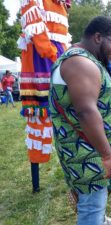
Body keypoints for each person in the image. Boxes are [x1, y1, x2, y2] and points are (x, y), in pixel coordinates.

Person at [49, 16, 111, 225]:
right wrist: (107, 154)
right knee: (91, 206)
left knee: (95, 198)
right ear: (98, 37)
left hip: (88, 148)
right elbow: (86, 112)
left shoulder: (83, 59)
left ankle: (101, 218)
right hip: (87, 153)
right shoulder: (80, 62)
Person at [18, 0, 72, 193]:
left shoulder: (62, 5)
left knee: (68, 116)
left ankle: (73, 165)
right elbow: (37, 32)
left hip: (59, 60)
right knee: (39, 118)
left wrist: (64, 59)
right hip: (41, 63)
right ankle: (36, 181)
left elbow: (64, 37)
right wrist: (54, 55)